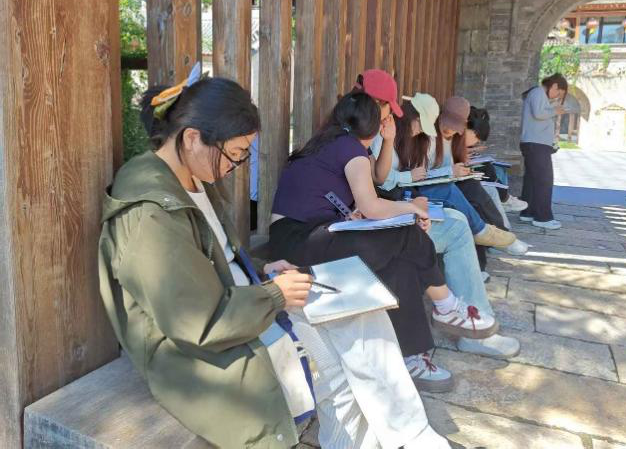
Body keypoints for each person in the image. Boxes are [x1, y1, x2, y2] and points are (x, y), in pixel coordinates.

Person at [98, 69, 449, 448]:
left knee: (361, 315)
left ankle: (411, 436)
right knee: (338, 363)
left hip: (244, 305)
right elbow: (195, 320)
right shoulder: (151, 212)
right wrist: (275, 294)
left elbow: (217, 257)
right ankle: (412, 438)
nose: (235, 165)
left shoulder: (189, 177)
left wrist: (263, 268)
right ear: (192, 138)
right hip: (203, 346)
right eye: (235, 153)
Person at [268, 91, 501, 389]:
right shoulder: (351, 148)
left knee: (400, 260)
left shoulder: (331, 142)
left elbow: (353, 195)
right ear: (374, 126)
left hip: (307, 237)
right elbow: (372, 206)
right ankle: (446, 305)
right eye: (384, 121)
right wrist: (412, 209)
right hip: (299, 245)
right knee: (406, 232)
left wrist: (368, 212)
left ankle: (412, 356)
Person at [370, 95, 520, 358]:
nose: (420, 132)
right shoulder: (381, 135)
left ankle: (473, 317)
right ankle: (471, 327)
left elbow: (400, 179)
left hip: (402, 204)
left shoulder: (404, 137)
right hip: (388, 214)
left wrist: (414, 198)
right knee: (456, 222)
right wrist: (410, 188)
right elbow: (380, 181)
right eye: (419, 126)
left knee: (458, 217)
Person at [518, 73, 568, 230]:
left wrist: (552, 108)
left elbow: (539, 114)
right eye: (558, 93)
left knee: (532, 180)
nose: (556, 97)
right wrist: (555, 111)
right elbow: (538, 114)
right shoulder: (538, 92)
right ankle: (542, 217)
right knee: (544, 180)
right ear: (554, 86)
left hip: (534, 143)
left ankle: (527, 212)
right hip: (536, 144)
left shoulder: (538, 94)